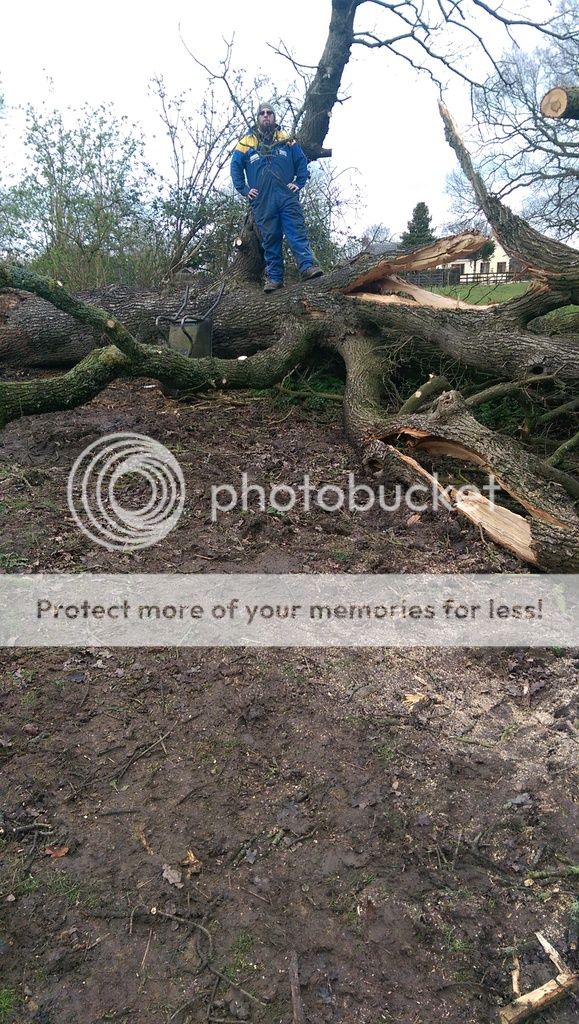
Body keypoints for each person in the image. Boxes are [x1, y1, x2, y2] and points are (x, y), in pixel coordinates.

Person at [231, 102, 323, 293]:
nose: (266, 116)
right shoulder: (246, 142)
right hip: (262, 200)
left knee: (296, 233)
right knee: (270, 239)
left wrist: (299, 183)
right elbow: (235, 167)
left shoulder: (287, 139)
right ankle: (274, 278)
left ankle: (307, 268)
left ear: (274, 117)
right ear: (257, 118)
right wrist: (244, 189)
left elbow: (301, 162)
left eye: (270, 113)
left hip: (287, 197)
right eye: (262, 113)